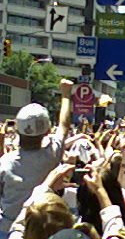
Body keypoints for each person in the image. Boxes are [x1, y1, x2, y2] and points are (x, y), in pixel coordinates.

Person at [0, 79, 73, 231]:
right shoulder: (52, 154)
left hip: (6, 227)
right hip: (41, 228)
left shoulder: (5, 162)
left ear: (17, 130)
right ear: (47, 131)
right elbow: (64, 126)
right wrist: (66, 94)